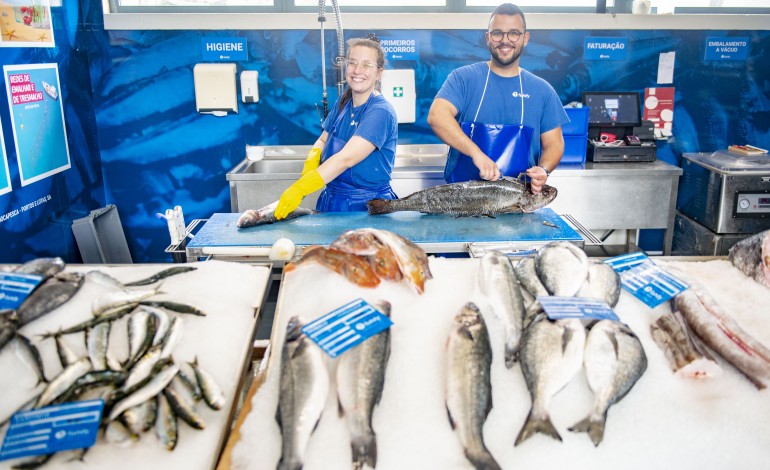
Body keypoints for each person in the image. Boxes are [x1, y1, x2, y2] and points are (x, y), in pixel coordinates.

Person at [427, 3, 569, 194]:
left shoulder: (543, 91)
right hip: (462, 202)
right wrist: (476, 154)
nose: (505, 40)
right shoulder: (464, 78)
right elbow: (437, 117)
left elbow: (554, 143)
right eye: (497, 33)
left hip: (518, 204)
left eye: (514, 33)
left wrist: (543, 169)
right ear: (488, 38)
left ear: (525, 38)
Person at [274, 36, 398, 219]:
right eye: (352, 63)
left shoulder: (380, 112)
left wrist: (301, 188)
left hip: (367, 208)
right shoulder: (344, 101)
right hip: (333, 201)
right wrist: (312, 160)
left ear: (379, 72)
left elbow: (345, 159)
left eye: (366, 65)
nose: (357, 70)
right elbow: (324, 138)